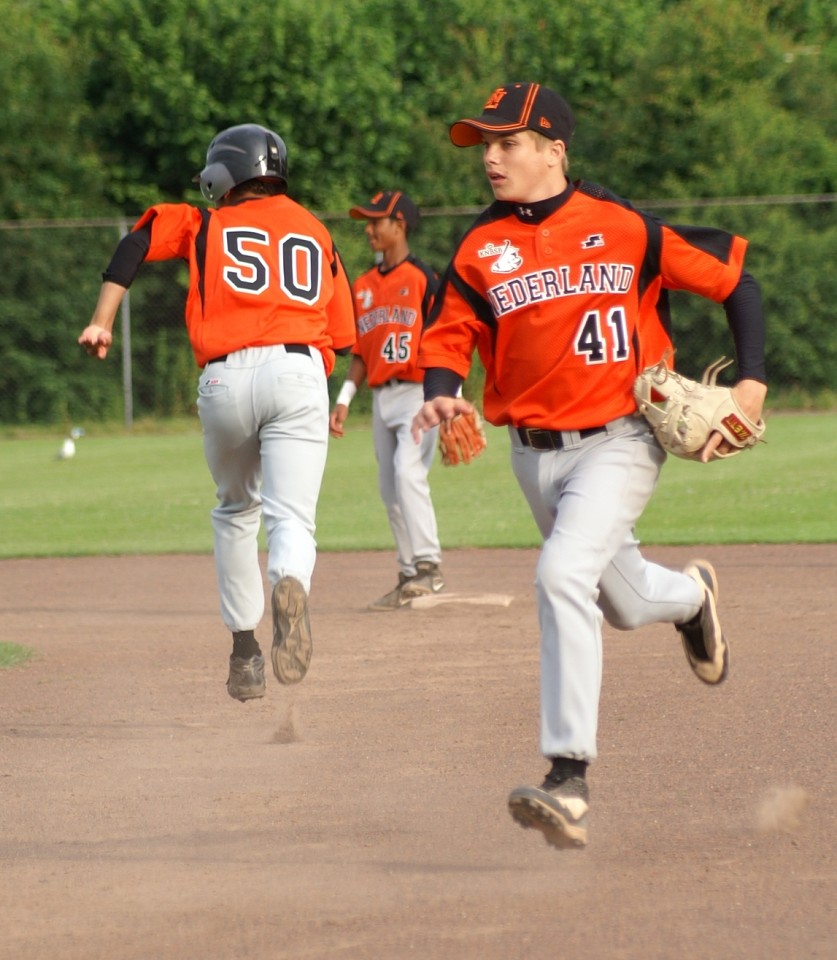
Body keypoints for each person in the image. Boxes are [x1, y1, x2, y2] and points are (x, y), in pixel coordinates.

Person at [411, 83, 767, 848]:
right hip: (532, 455)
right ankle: (692, 601)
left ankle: (566, 777)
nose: (491, 157)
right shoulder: (479, 247)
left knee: (560, 575)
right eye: (484, 144)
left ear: (553, 150)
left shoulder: (623, 226)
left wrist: (751, 382)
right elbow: (447, 332)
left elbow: (734, 280)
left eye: (507, 142)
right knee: (624, 601)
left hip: (620, 440)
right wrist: (441, 390)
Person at [78, 123, 356, 702]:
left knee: (235, 511)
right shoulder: (316, 230)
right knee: (291, 517)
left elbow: (135, 242)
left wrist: (102, 320)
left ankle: (245, 653)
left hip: (225, 376)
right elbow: (345, 332)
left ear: (222, 176)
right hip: (299, 369)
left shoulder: (205, 222)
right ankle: (289, 583)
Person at [330, 191, 445, 610]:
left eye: (376, 221)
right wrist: (344, 398)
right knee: (388, 488)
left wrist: (446, 397)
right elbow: (361, 352)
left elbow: (445, 339)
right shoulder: (362, 286)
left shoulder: (423, 278)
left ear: (400, 224)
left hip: (418, 393)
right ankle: (409, 572)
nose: (369, 229)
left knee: (407, 473)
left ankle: (429, 565)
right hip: (381, 398)